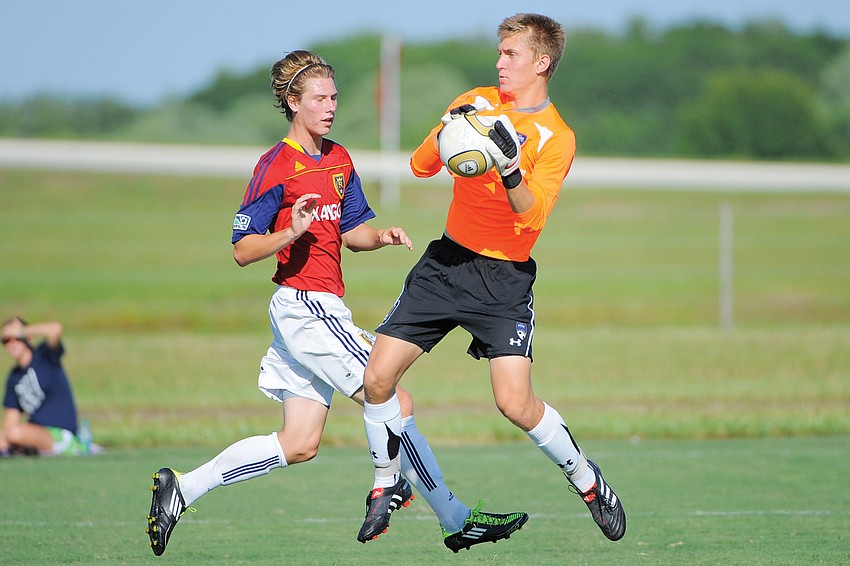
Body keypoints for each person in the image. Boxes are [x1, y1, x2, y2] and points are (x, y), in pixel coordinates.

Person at [145, 49, 527, 557]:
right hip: (305, 307)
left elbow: (351, 232)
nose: (330, 107)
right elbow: (242, 250)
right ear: (292, 102)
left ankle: (183, 488)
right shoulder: (276, 166)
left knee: (300, 442)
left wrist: (380, 237)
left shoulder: (340, 158)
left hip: (315, 311)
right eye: (319, 98)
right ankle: (447, 516)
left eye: (334, 97)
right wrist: (290, 231)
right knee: (392, 398)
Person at [357, 13, 626, 544]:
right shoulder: (476, 100)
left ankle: (588, 481)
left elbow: (532, 215)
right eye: (499, 52)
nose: (500, 63)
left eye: (511, 54)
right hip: (445, 266)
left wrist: (508, 166)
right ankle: (385, 484)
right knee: (377, 380)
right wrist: (449, 129)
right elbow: (420, 166)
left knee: (515, 404)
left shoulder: (557, 137)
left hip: (502, 281)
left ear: (541, 62)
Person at [2, 316, 90, 456]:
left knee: (14, 432)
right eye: (6, 340)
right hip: (36, 432)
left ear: (28, 338)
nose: (12, 344)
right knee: (6, 435)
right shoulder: (14, 377)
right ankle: (23, 450)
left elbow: (55, 329)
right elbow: (10, 421)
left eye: (17, 338)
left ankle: (24, 449)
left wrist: (22, 331)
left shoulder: (44, 356)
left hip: (61, 433)